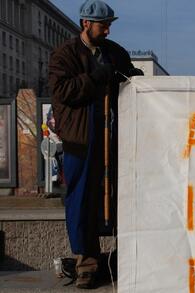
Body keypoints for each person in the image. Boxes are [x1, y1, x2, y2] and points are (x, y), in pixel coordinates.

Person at [48, 0, 143, 289]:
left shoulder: (114, 52)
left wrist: (133, 79)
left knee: (121, 197)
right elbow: (63, 91)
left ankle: (123, 257)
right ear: (86, 24)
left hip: (115, 140)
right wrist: (95, 77)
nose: (108, 29)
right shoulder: (64, 55)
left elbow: (128, 77)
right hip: (82, 141)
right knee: (82, 202)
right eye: (104, 25)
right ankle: (86, 263)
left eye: (109, 24)